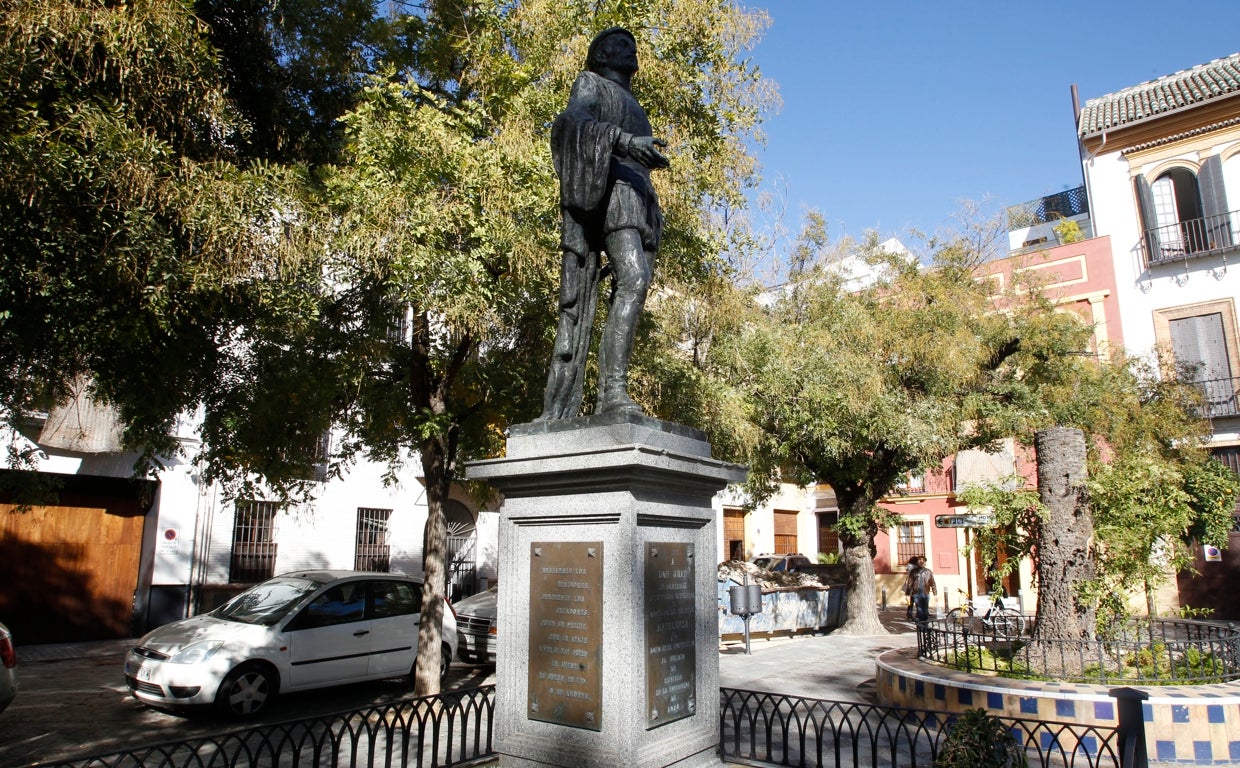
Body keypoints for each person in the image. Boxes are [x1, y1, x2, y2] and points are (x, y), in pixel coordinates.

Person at [539, 27, 670, 420]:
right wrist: (627, 143)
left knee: (634, 288)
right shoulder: (590, 83)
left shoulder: (635, 103)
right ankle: (613, 392)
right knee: (633, 280)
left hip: (639, 199)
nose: (630, 51)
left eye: (633, 46)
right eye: (620, 45)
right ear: (600, 54)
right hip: (614, 197)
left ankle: (613, 390)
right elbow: (572, 122)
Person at [909, 556, 937, 623]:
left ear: (924, 562)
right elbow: (910, 583)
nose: (921, 561)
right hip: (916, 593)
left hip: (925, 593)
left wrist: (935, 592)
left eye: (922, 560)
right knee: (919, 610)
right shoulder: (913, 572)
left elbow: (932, 582)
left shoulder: (928, 572)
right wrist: (909, 594)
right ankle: (920, 625)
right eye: (919, 560)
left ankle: (925, 624)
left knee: (925, 610)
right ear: (917, 562)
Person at [902, 556, 918, 620]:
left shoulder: (909, 566)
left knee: (911, 602)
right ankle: (914, 615)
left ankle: (909, 614)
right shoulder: (914, 567)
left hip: (910, 587)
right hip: (913, 586)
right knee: (916, 601)